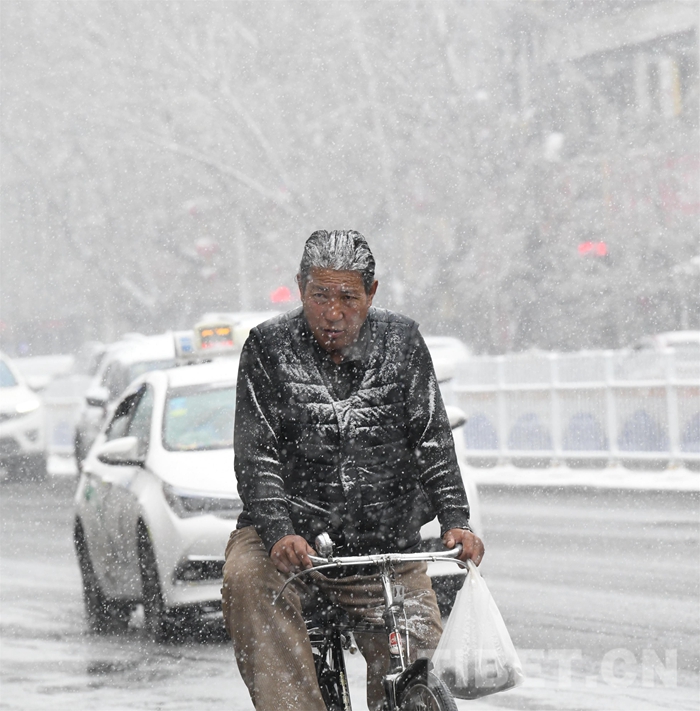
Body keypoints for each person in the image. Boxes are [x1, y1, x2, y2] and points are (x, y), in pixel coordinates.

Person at [222, 230, 484, 711]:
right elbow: (256, 455)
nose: (333, 311)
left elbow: (432, 439)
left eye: (348, 296)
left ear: (372, 294)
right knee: (245, 577)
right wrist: (280, 532)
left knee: (421, 658)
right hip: (289, 545)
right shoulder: (267, 347)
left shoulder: (402, 343)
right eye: (320, 295)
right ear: (300, 289)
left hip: (383, 546)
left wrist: (455, 519)